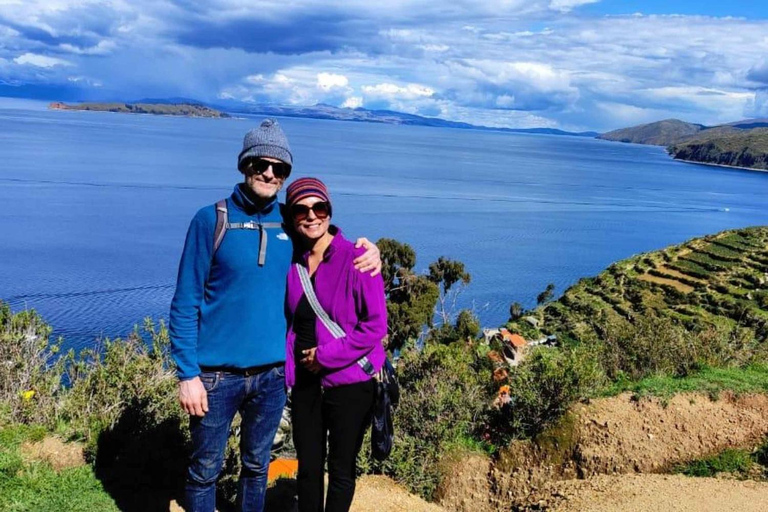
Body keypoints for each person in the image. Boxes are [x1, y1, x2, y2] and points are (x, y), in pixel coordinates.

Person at [169, 119, 380, 512]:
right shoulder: (210, 220)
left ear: (285, 175)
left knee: (255, 467)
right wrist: (187, 375)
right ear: (244, 165)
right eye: (260, 164)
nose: (269, 173)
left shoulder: (290, 220)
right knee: (204, 471)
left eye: (279, 168)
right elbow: (185, 302)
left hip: (272, 376)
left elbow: (327, 236)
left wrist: (370, 250)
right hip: (216, 375)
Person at [284, 177, 387, 512]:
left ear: (329, 211)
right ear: (292, 216)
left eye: (320, 207)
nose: (311, 215)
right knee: (308, 466)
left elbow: (375, 326)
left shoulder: (357, 258)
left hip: (350, 383)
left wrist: (325, 356)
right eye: (302, 209)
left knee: (342, 468)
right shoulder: (290, 259)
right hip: (304, 382)